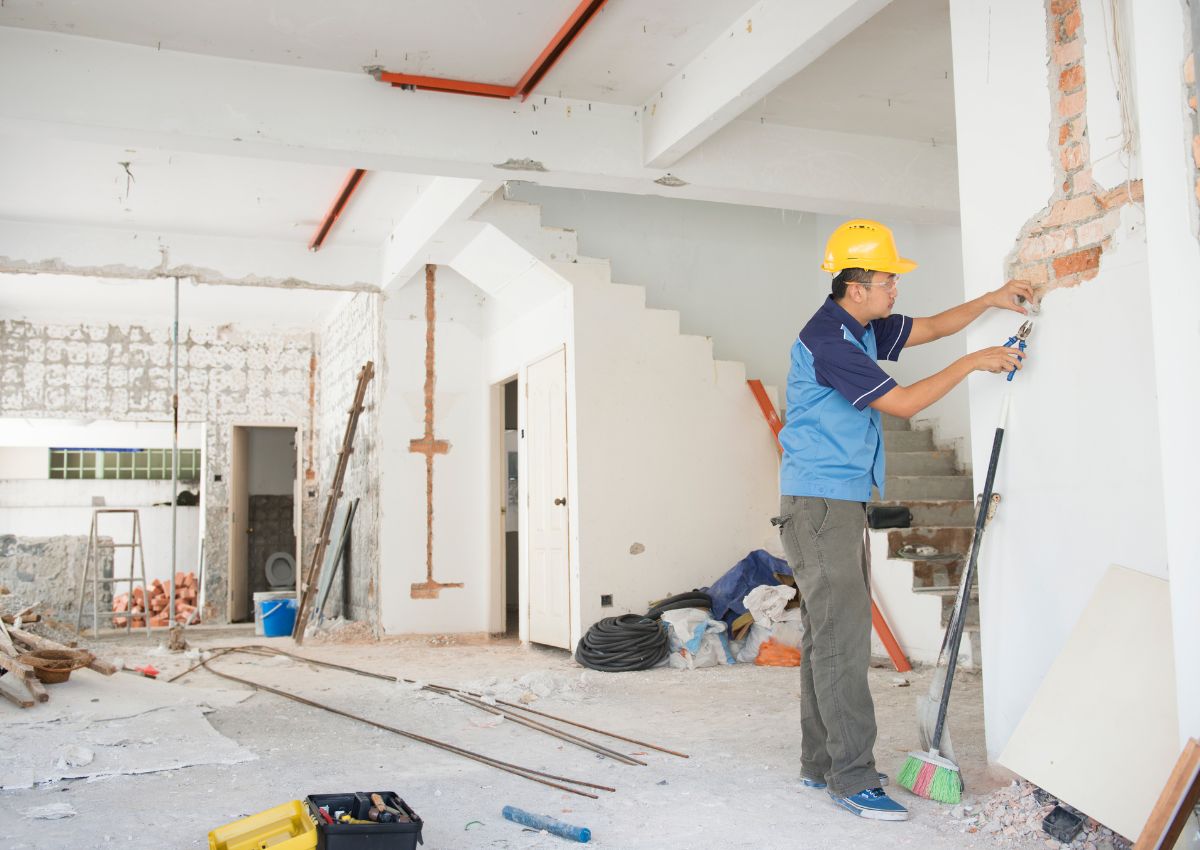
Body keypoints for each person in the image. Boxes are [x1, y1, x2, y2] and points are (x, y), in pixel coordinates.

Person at [774, 219, 1033, 821]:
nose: (897, 290)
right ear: (857, 286)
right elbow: (906, 402)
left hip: (833, 502)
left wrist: (992, 300)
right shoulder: (832, 340)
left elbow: (933, 327)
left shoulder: (859, 327)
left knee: (826, 637)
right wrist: (974, 363)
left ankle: (823, 764)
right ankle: (851, 776)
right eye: (889, 280)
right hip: (820, 507)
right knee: (841, 641)